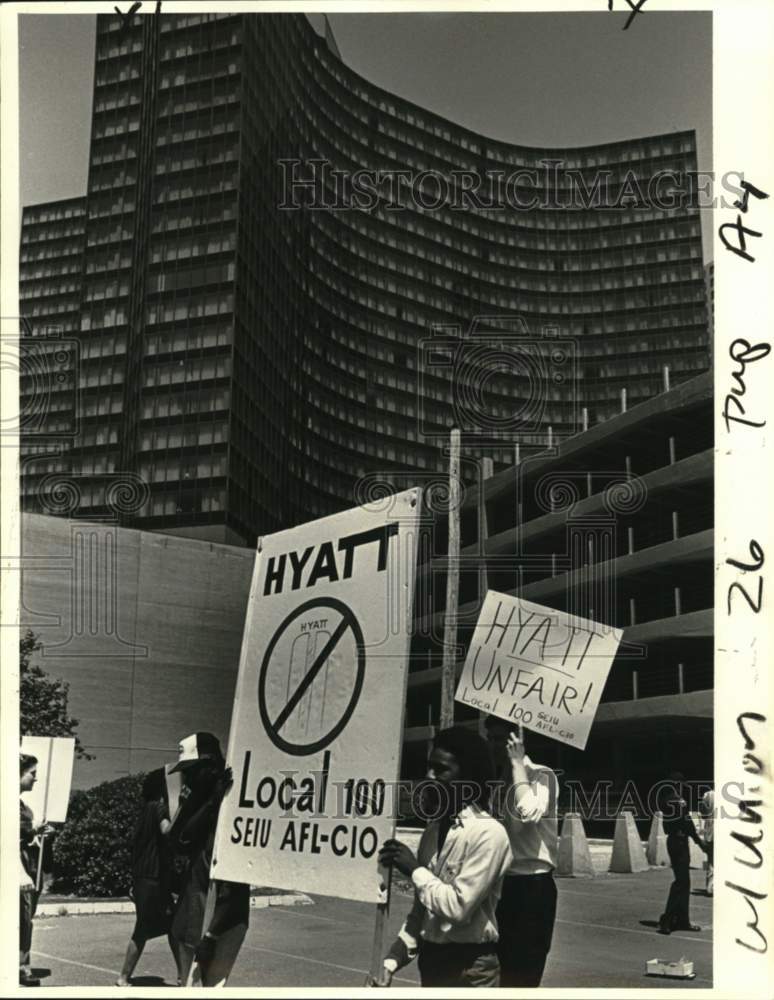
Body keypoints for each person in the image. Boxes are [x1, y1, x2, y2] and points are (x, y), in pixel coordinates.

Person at [373, 725, 512, 988]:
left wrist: (414, 870)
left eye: (441, 769)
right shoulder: (433, 831)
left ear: (468, 775)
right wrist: (391, 962)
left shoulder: (489, 834)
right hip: (432, 965)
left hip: (472, 972)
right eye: (429, 767)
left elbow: (457, 908)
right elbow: (422, 914)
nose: (430, 775)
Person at [168, 732, 250, 987]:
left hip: (219, 926)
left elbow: (232, 887)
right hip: (192, 923)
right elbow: (180, 837)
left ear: (211, 765)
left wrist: (212, 936)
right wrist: (210, 802)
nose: (188, 777)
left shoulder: (229, 812)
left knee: (211, 986)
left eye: (193, 769)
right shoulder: (201, 800)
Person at [484, 716, 559, 987]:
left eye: (501, 739)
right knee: (497, 967)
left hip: (532, 884)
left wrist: (517, 765)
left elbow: (528, 814)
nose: (494, 745)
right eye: (490, 739)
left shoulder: (541, 774)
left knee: (524, 971)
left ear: (517, 742)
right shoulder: (496, 782)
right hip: (500, 884)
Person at [116, 769, 180, 987]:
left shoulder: (144, 811)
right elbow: (166, 830)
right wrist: (183, 809)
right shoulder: (159, 807)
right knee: (152, 928)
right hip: (154, 877)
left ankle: (183, 975)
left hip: (143, 877)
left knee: (163, 926)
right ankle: (123, 977)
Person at [658, 772, 707, 934]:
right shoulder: (676, 800)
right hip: (678, 841)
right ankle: (667, 919)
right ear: (677, 784)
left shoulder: (667, 799)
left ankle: (682, 920)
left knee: (684, 882)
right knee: (681, 882)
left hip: (677, 840)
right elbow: (686, 823)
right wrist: (699, 842)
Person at [20, 753, 53, 988]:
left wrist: (39, 833)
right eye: (32, 773)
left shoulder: (22, 806)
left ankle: (21, 964)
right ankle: (21, 966)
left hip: (29, 868)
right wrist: (33, 830)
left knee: (25, 919)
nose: (35, 779)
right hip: (18, 869)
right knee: (21, 919)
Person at [698, 788, 714, 897]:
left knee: (712, 859)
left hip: (711, 828)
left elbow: (702, 812)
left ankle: (711, 888)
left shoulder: (708, 795)